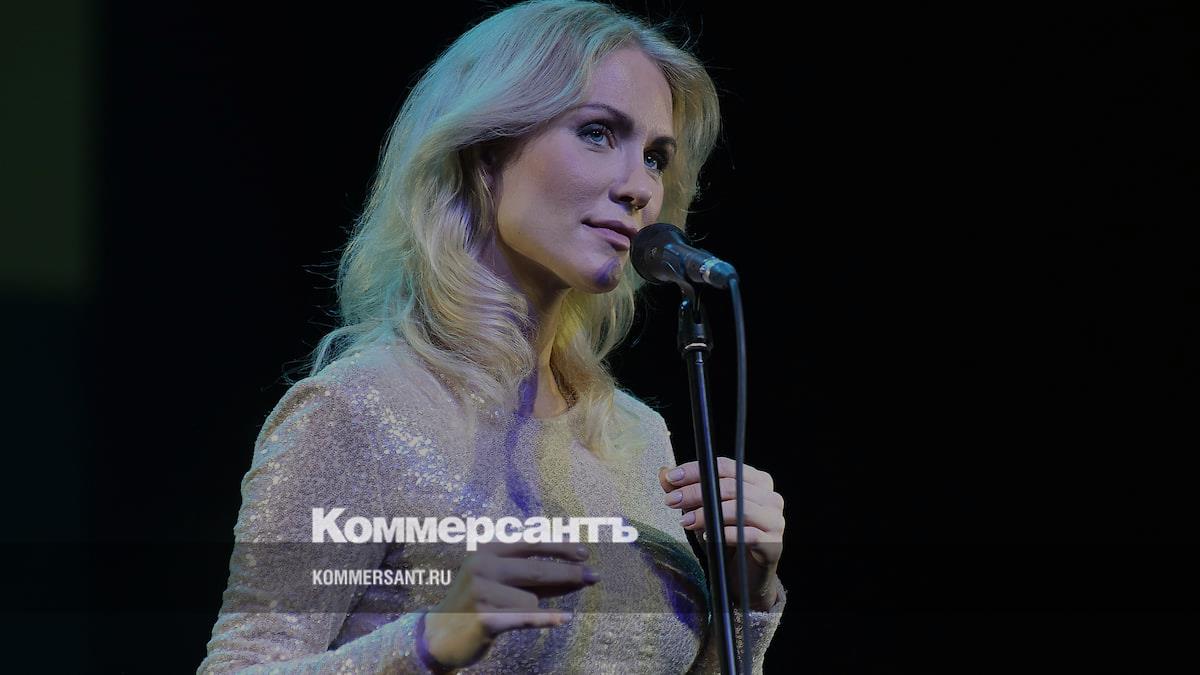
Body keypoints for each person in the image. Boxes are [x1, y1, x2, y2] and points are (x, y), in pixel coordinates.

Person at [198, 1, 786, 672]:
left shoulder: (636, 437)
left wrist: (746, 595)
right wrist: (425, 642)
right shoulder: (361, 409)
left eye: (655, 157)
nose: (638, 189)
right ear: (486, 150)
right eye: (597, 133)